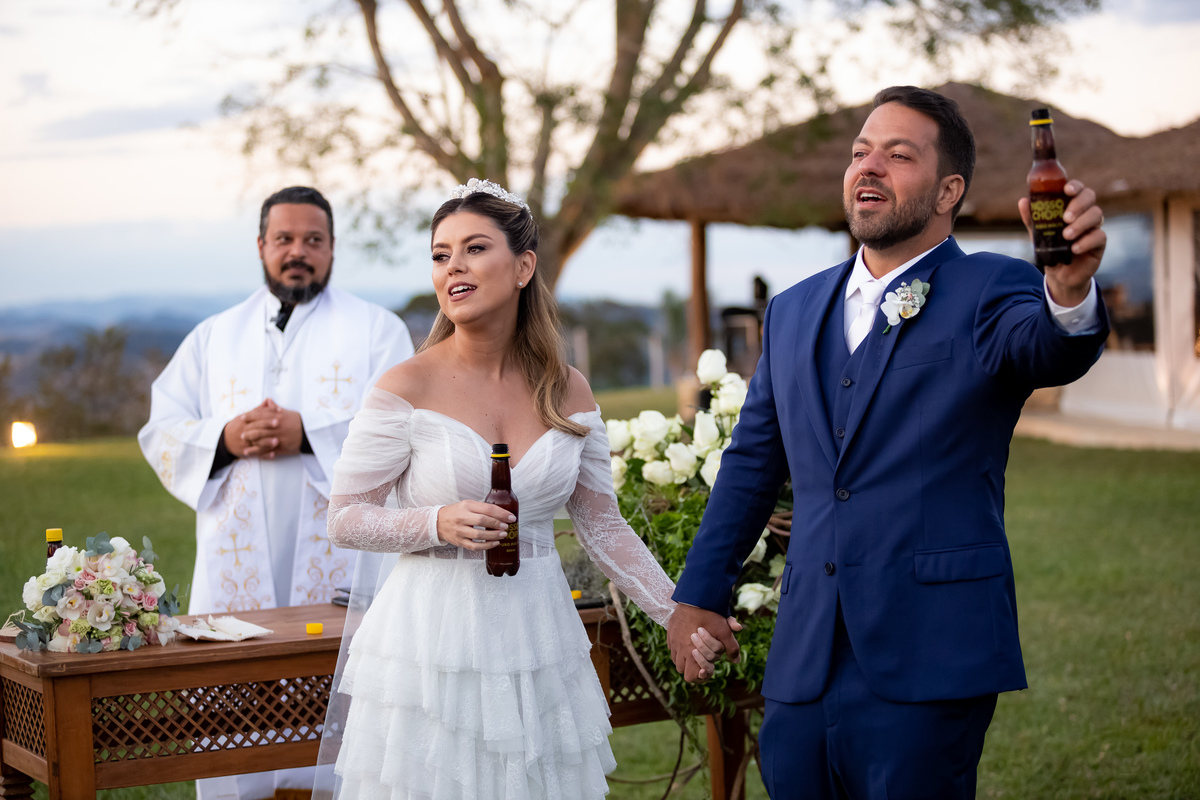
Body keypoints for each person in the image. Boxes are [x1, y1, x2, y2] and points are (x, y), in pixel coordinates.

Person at [667, 86, 1110, 799]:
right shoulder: (793, 310)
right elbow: (753, 461)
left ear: (948, 191)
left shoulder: (991, 288)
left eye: (899, 156)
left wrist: (1069, 291)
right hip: (804, 656)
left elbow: (1050, 349)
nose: (869, 168)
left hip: (931, 650)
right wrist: (699, 593)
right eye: (860, 153)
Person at [317, 179, 705, 799]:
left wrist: (674, 611)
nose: (454, 268)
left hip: (538, 637)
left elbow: (601, 523)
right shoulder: (406, 385)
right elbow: (344, 518)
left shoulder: (568, 389)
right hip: (431, 642)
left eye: (474, 249)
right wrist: (434, 523)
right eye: (441, 255)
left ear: (523, 267)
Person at [137, 186, 414, 800]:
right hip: (235, 561)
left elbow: (406, 427)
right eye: (284, 239)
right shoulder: (214, 336)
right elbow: (161, 427)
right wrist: (226, 435)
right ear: (261, 246)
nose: (298, 252)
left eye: (313, 240)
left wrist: (310, 433)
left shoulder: (377, 330)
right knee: (236, 715)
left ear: (333, 249)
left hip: (341, 554)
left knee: (342, 716)